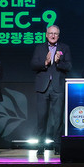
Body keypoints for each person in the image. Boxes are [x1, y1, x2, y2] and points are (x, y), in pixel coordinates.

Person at [31, 25, 71, 155]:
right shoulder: (39, 48)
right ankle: (40, 146)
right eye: (50, 33)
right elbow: (33, 65)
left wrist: (58, 62)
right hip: (43, 88)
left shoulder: (64, 48)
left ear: (58, 36)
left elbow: (69, 66)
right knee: (41, 119)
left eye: (55, 34)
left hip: (57, 87)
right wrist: (45, 62)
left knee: (58, 119)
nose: (53, 36)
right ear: (46, 35)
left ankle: (58, 146)